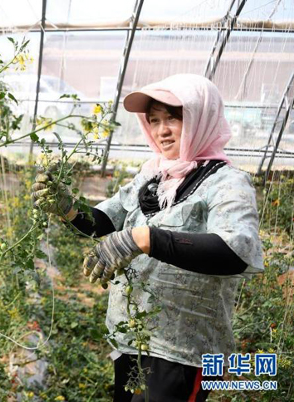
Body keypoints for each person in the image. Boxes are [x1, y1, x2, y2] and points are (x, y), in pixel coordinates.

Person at [31, 74, 264, 402]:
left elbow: (235, 252)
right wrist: (68, 207)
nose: (161, 130)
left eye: (173, 118)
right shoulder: (153, 174)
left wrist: (145, 238)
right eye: (154, 120)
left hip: (183, 352)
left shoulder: (227, 183)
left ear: (201, 117)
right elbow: (103, 222)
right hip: (132, 339)